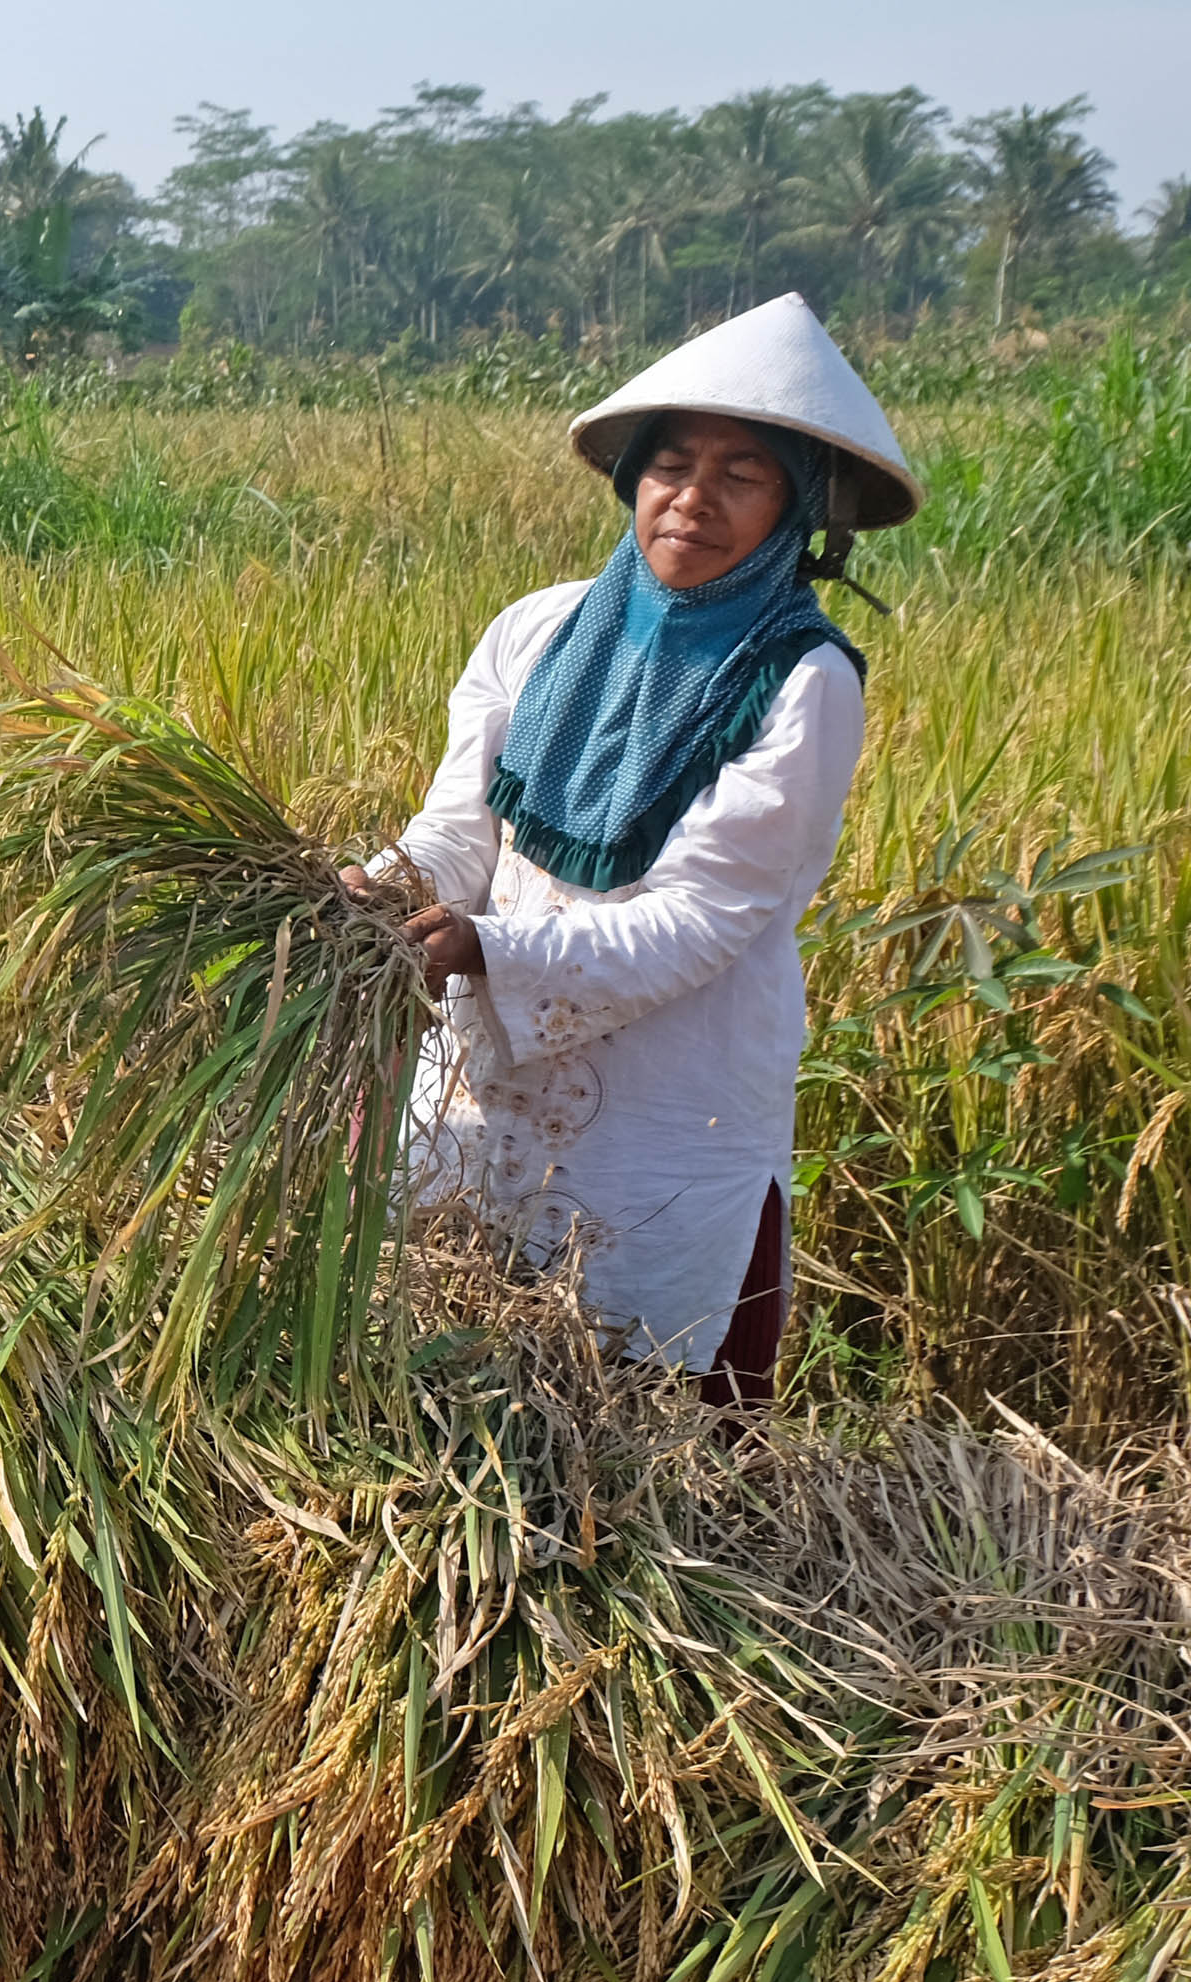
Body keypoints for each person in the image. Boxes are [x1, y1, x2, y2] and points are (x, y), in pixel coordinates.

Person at [359, 293, 923, 1407]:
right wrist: (370, 897)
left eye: (742, 475)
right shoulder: (538, 629)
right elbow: (457, 833)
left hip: (671, 1101)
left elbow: (703, 917)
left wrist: (485, 948)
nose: (694, 499)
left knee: (643, 1412)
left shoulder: (801, 678)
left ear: (801, 505)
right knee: (440, 1379)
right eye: (671, 466)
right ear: (633, 482)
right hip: (481, 1078)